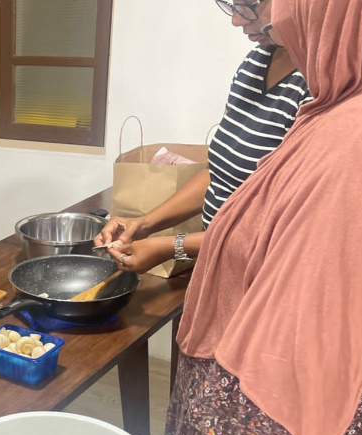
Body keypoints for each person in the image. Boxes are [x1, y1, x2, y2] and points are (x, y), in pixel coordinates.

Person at [141, 0, 362, 435]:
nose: (269, 21)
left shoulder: (356, 144)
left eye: (268, 5)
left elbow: (292, 363)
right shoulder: (335, 108)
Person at [96, 0, 311, 273]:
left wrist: (171, 246)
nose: (236, 20)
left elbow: (286, 227)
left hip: (265, 274)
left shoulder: (319, 86)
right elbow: (219, 175)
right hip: (219, 262)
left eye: (247, 5)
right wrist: (145, 224)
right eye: (232, 6)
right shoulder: (255, 63)